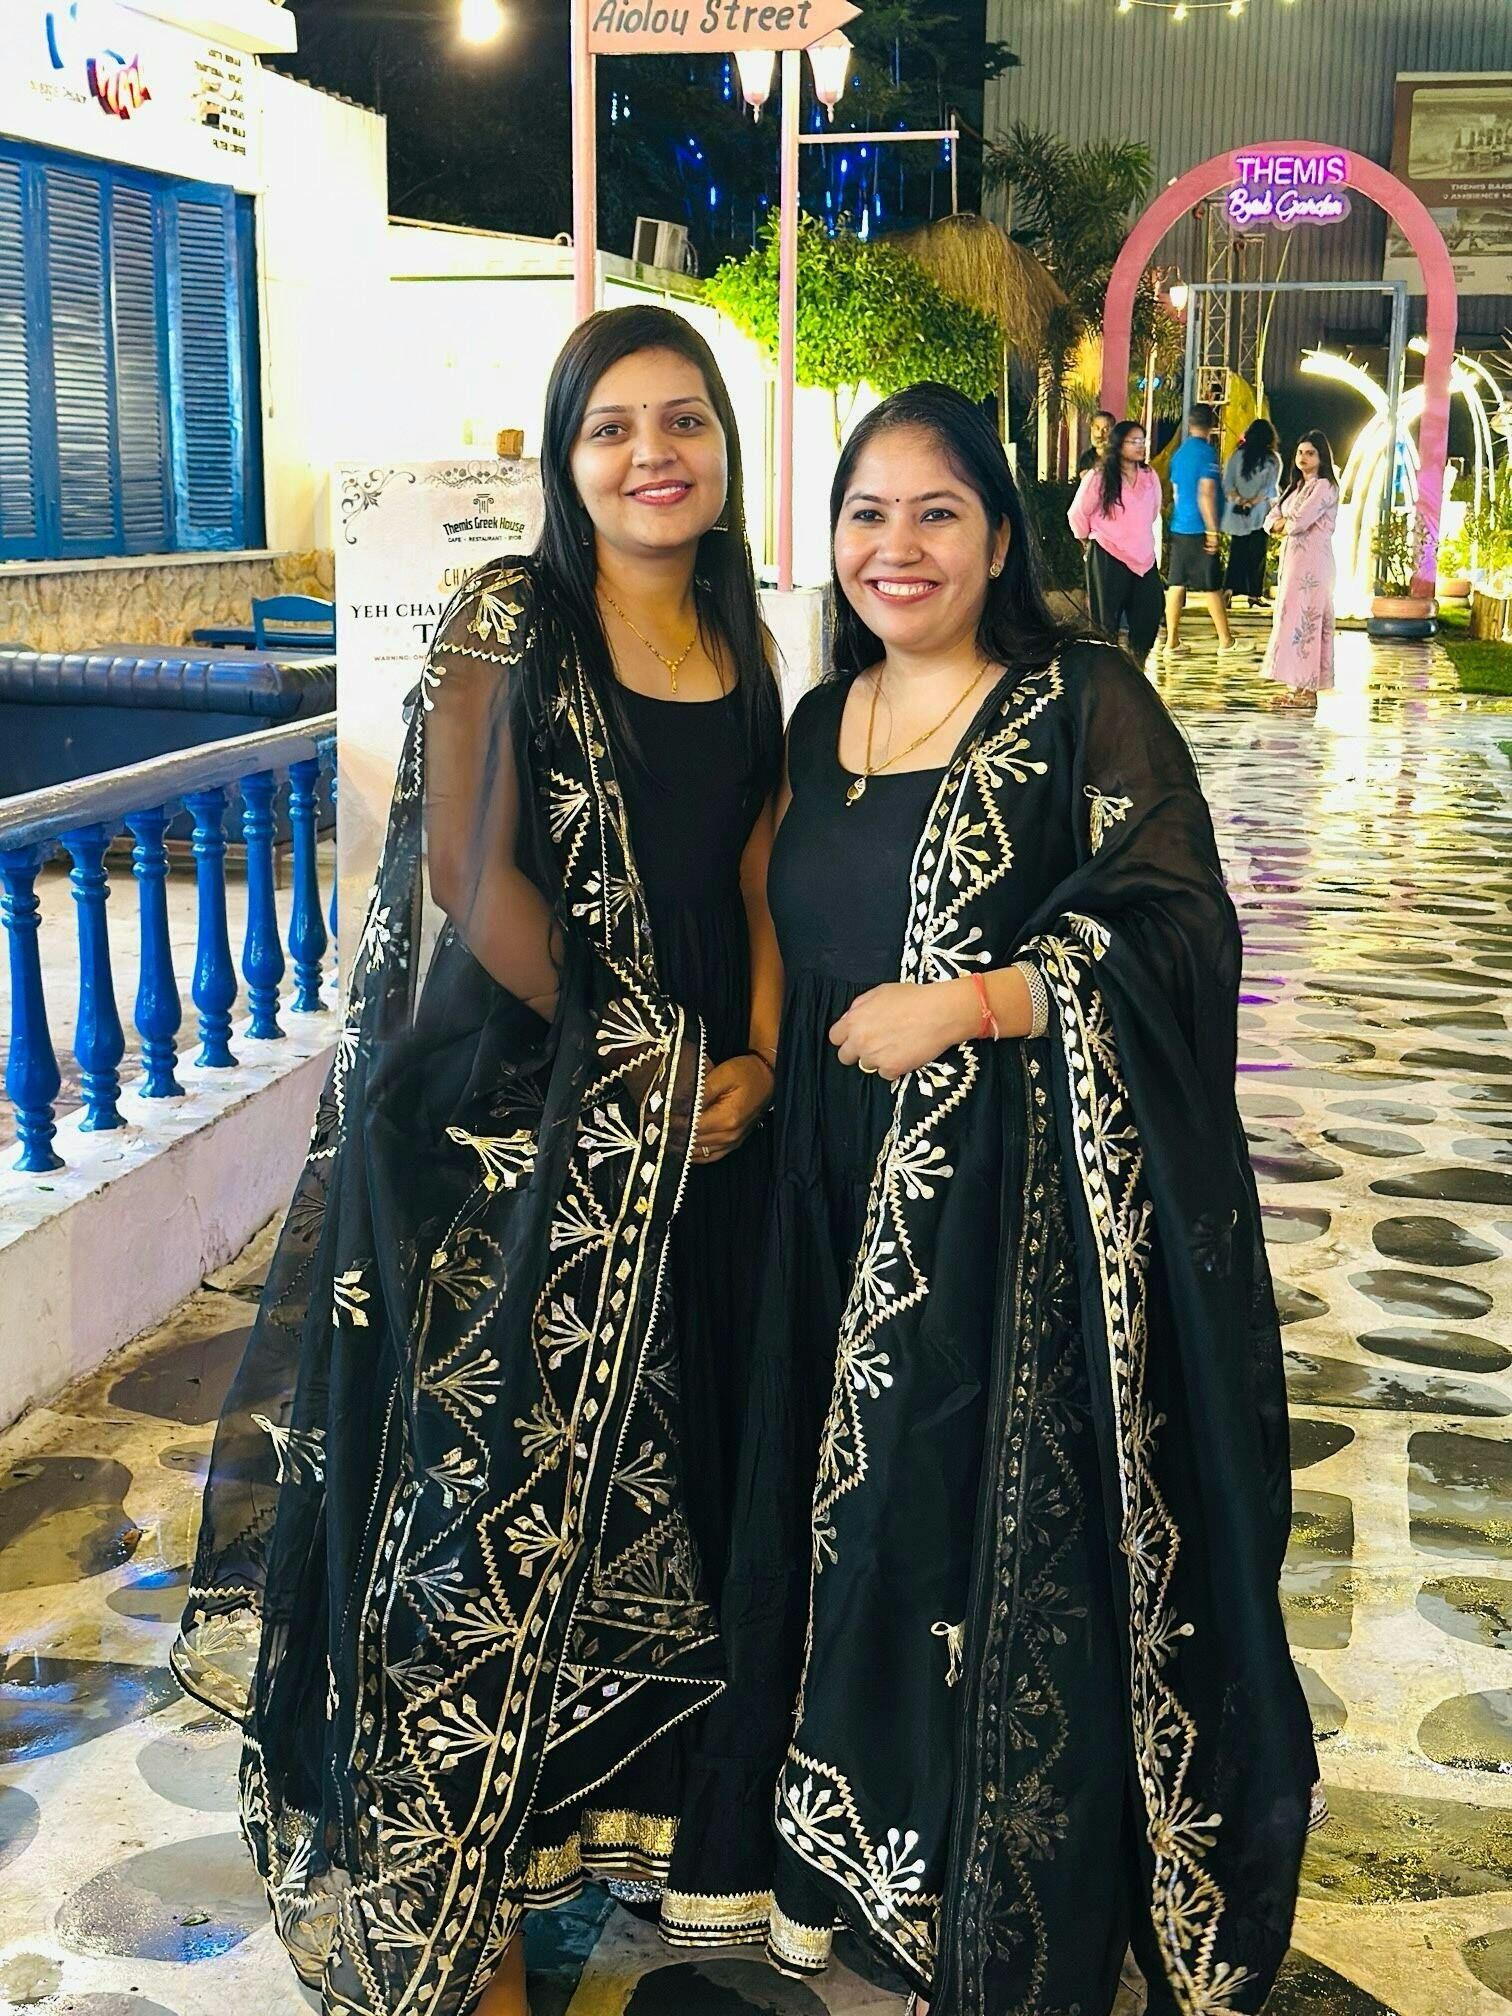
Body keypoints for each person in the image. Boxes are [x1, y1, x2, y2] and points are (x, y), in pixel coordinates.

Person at [172, 304, 786, 2016]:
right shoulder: (509, 617)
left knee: (655, 1513)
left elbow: (755, 870)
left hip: (702, 1134)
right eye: (613, 426)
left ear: (724, 449)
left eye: (684, 420)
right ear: (568, 457)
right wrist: (648, 1061)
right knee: (472, 1538)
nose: (652, 453)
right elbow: (469, 871)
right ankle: (464, 1925)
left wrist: (750, 1057)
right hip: (507, 1125)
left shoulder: (744, 631)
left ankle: (599, 1854)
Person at [688, 383, 1322, 2013]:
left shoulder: (1078, 703)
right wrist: (754, 1061)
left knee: (955, 1541)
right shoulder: (816, 720)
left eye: (936, 514)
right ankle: (832, 1873)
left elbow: (1181, 925)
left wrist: (973, 1002)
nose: (895, 548)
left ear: (996, 539)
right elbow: (770, 916)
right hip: (821, 1201)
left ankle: (972, 1894)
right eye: (866, 515)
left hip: (998, 1231)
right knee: (834, 1527)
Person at [1068, 419, 1164, 664]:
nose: (1140, 446)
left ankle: (1137, 664)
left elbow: (1153, 511)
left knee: (1150, 613)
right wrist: (1086, 539)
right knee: (1105, 623)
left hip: (1143, 558)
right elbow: (1077, 513)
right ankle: (1106, 670)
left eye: (1142, 440)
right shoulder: (1099, 476)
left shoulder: (1149, 476)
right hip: (1108, 553)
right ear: (1119, 444)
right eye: (1134, 441)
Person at [1164, 403, 1252, 660]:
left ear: (1190, 424)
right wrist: (1212, 530)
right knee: (1211, 585)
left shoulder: (1179, 454)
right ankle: (1226, 641)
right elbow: (1206, 492)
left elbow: (1175, 490)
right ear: (1212, 425)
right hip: (1199, 527)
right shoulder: (1206, 454)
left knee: (1176, 583)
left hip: (1179, 526)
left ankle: (1172, 641)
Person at [1261, 430, 1340, 700]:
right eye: (1300, 452)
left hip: (1314, 564)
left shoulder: (1324, 487)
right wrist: (1280, 523)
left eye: (1310, 453)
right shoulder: (1295, 488)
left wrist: (1283, 523)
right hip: (1293, 562)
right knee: (1291, 619)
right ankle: (1295, 686)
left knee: (1309, 621)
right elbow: (1270, 519)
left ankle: (1309, 691)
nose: (1303, 458)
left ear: (1321, 457)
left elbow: (1298, 522)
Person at [1223, 419, 1282, 608]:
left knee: (1236, 553)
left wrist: (1241, 501)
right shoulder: (1272, 459)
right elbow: (1269, 489)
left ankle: (1228, 591)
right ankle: (1254, 595)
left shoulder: (1236, 456)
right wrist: (1252, 502)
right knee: (1257, 555)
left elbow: (1227, 485)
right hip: (1259, 514)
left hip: (1237, 513)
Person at [1077, 408, 1116, 474]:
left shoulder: (1120, 457)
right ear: (1091, 428)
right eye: (1097, 428)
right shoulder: (1086, 458)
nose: (1100, 434)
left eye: (1105, 429)